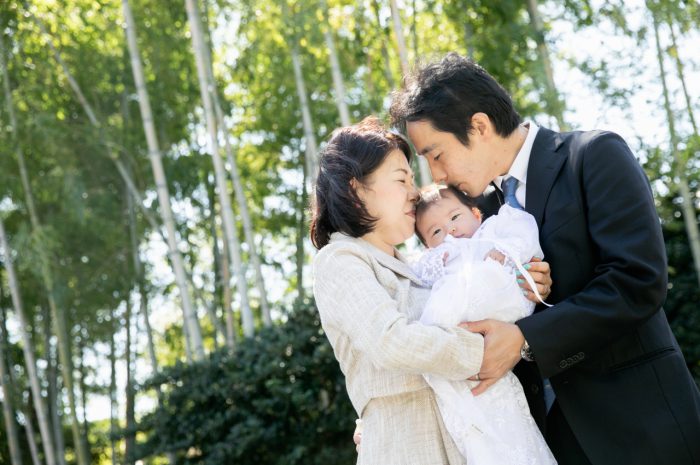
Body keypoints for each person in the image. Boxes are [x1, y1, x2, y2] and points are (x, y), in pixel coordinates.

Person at [389, 52, 700, 465]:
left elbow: (637, 281)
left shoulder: (593, 156)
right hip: (548, 444)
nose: (436, 175)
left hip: (643, 429)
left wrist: (527, 340)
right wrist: (385, 421)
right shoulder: (473, 220)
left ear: (478, 126)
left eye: (436, 154)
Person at [310, 116, 552, 464]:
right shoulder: (340, 259)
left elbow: (477, 305)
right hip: (406, 447)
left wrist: (522, 282)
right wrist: (486, 353)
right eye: (401, 179)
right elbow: (390, 341)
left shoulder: (422, 265)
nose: (414, 192)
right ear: (356, 190)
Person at [412, 184, 556, 465]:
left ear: (476, 213)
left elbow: (524, 233)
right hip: (460, 338)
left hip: (501, 308)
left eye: (454, 218)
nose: (450, 232)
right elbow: (414, 282)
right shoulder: (437, 259)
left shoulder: (494, 230)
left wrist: (506, 253)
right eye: (437, 232)